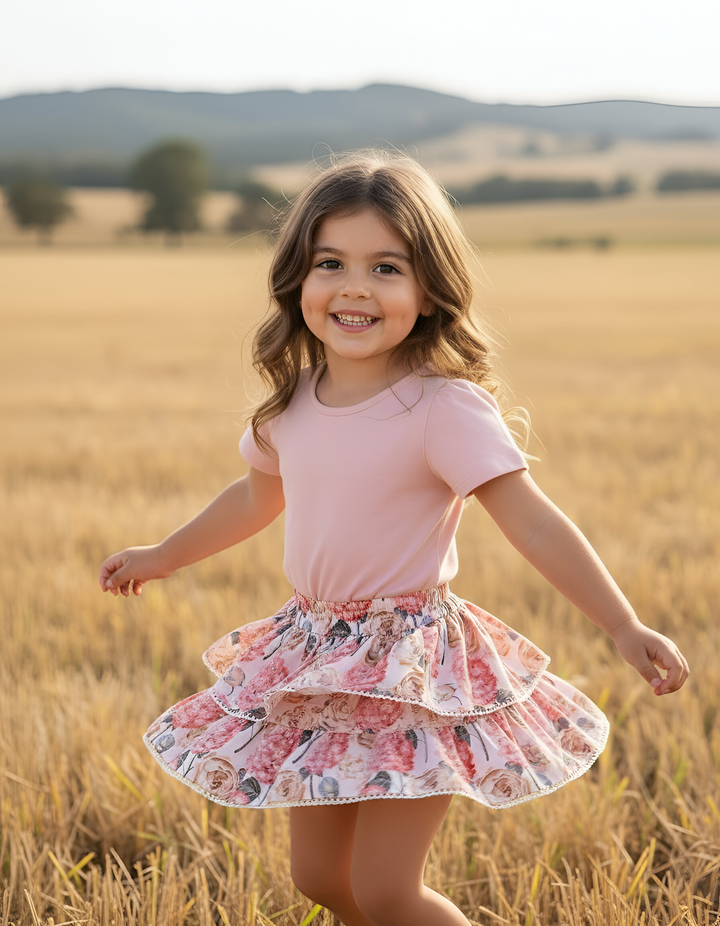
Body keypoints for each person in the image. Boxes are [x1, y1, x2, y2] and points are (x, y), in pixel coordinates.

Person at [99, 152, 689, 926]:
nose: (353, 287)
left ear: (429, 289)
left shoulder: (442, 408)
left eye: (386, 267)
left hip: (410, 665)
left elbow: (535, 521)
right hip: (314, 656)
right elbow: (253, 499)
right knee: (320, 878)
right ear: (296, 280)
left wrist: (622, 623)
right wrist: (162, 555)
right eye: (330, 263)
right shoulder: (292, 404)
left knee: (385, 890)